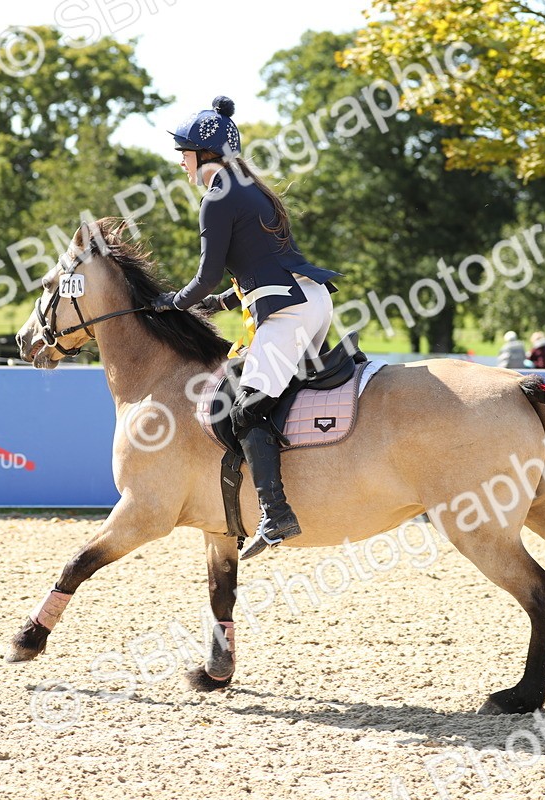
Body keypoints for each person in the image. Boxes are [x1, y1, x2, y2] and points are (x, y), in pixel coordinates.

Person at [150, 96, 342, 560]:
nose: (181, 162)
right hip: (308, 302)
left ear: (205, 155)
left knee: (247, 409)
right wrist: (220, 302)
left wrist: (172, 305)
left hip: (287, 314)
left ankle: (276, 512)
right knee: (272, 395)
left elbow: (206, 274)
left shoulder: (216, 195)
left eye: (184, 153)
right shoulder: (249, 188)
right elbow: (259, 268)